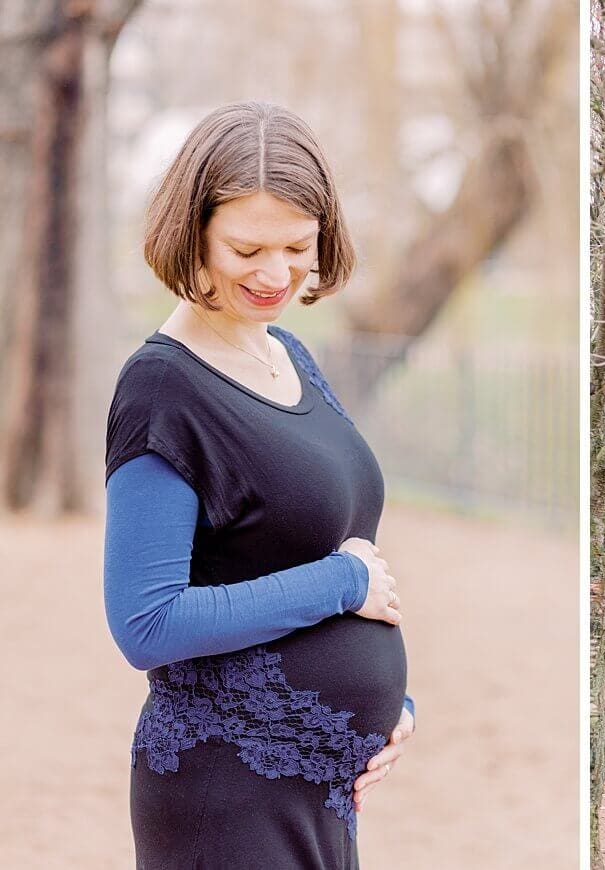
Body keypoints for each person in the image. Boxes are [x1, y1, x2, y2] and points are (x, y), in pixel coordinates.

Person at [103, 102, 414, 868]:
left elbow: (322, 550)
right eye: (247, 248)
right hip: (225, 792)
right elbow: (146, 624)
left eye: (297, 247)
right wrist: (342, 583)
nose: (276, 274)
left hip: (321, 789)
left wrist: (392, 708)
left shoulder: (292, 356)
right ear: (194, 235)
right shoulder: (161, 388)